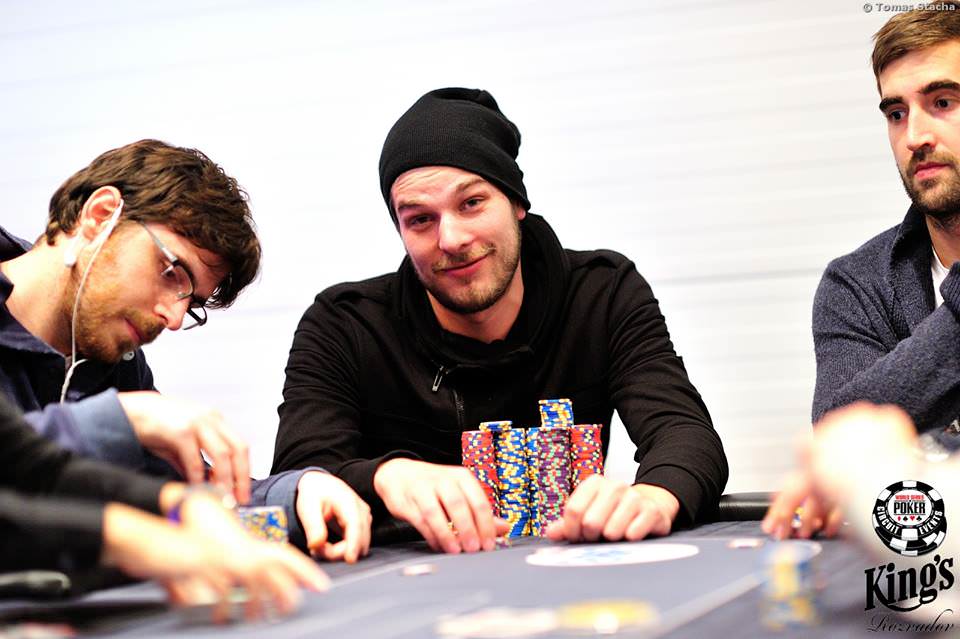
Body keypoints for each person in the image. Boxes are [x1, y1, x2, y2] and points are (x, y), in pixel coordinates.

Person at [272, 88, 728, 553]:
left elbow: (684, 433)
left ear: (516, 202)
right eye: (420, 219)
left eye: (471, 203)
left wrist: (654, 497)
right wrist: (386, 475)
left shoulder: (603, 294)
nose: (451, 239)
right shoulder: (344, 326)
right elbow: (299, 474)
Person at [0, 140, 370, 560]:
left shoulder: (112, 353)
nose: (174, 318)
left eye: (191, 303)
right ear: (100, 216)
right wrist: (122, 420)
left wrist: (297, 492)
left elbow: (182, 503)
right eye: (172, 272)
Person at [769, 4, 960, 537]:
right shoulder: (856, 284)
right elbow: (840, 441)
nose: (914, 135)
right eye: (896, 113)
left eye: (943, 102)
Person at [0, 393, 327, 622]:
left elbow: (41, 468)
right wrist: (144, 540)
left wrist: (183, 504)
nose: (174, 322)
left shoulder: (122, 361)